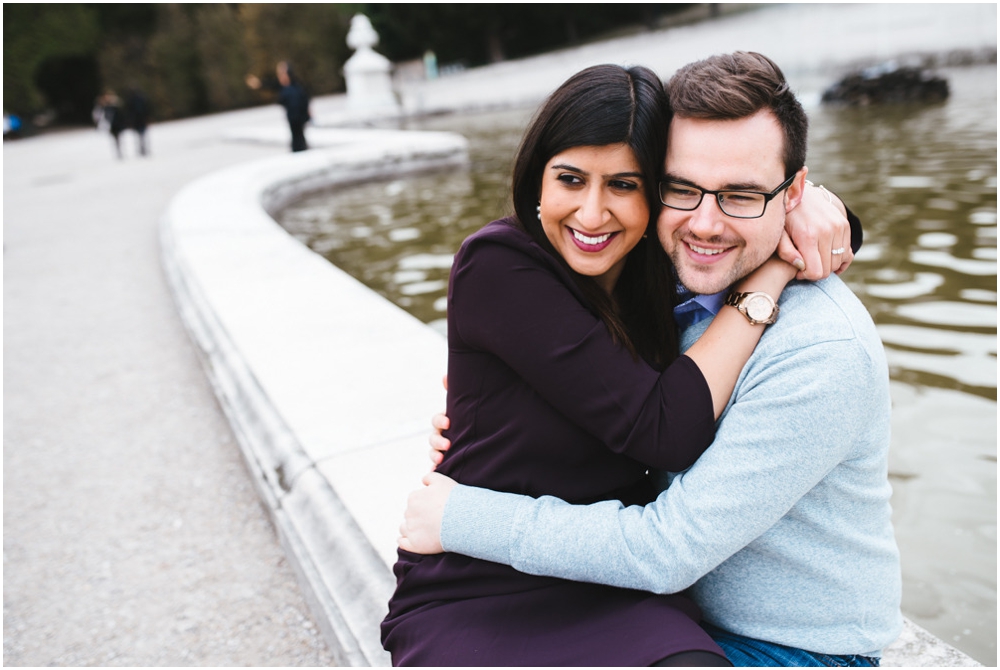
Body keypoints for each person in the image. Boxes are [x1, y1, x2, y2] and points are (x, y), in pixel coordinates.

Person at [402, 52, 901, 667]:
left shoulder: (821, 351)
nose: (707, 223)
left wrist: (462, 515)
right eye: (683, 188)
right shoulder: (657, 270)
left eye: (743, 195)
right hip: (638, 603)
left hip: (781, 644)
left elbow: (667, 548)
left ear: (790, 192)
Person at [247, 61, 311, 152]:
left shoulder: (297, 86)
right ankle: (298, 151)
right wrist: (258, 84)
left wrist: (307, 113)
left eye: (282, 73)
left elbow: (305, 99)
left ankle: (302, 151)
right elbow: (269, 84)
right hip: (292, 117)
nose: (280, 75)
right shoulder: (282, 86)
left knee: (299, 136)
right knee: (296, 136)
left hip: (299, 116)